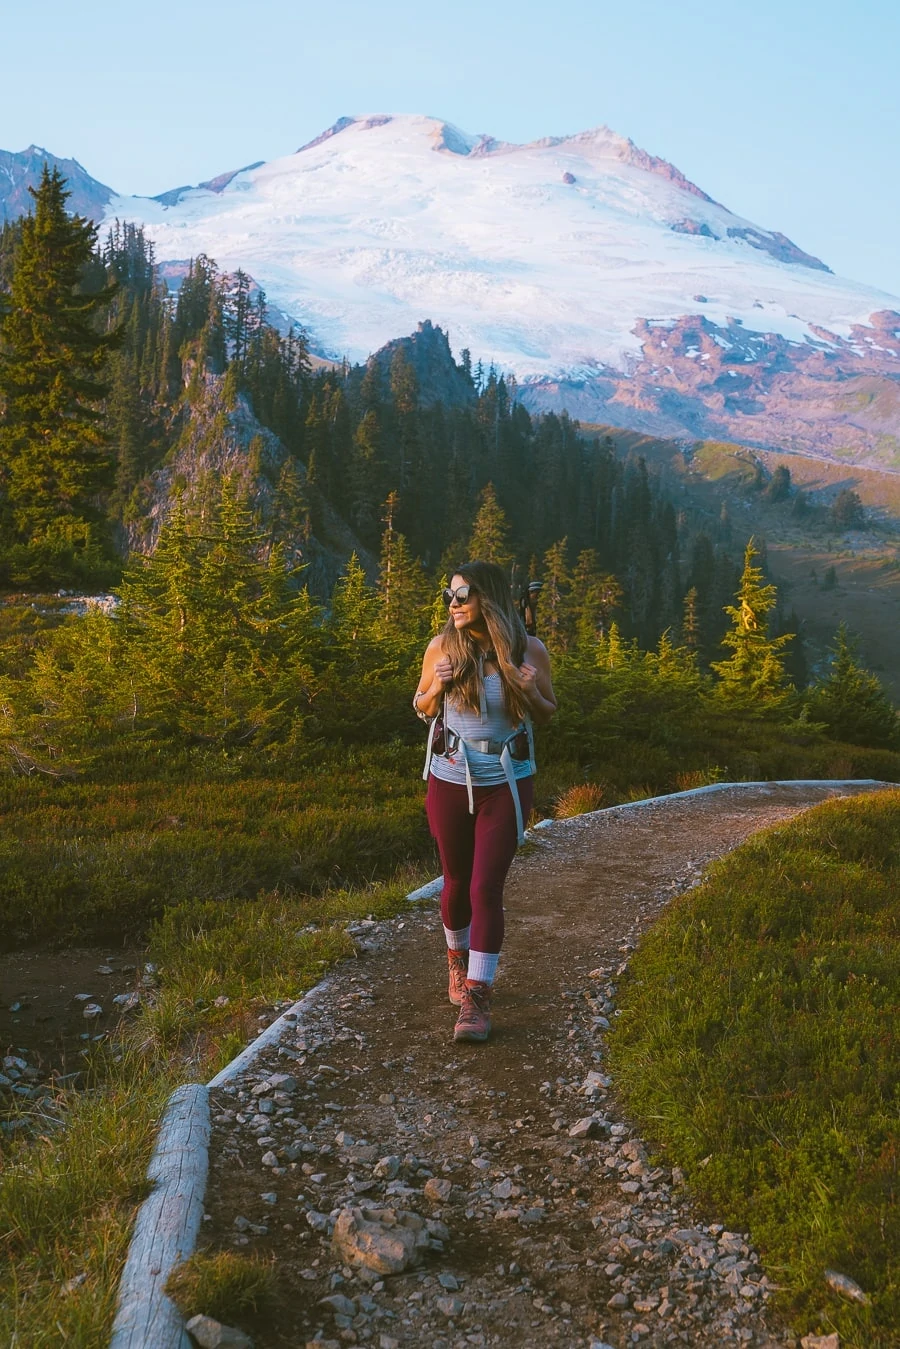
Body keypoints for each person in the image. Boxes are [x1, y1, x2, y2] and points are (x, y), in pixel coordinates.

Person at [413, 560, 557, 1042]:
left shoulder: (528, 649)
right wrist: (439, 685)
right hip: (449, 778)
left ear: (488, 599)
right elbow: (421, 706)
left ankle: (477, 999)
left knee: (485, 888)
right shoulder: (440, 648)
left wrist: (530, 689)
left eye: (462, 595)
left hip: (508, 781)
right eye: (449, 595)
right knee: (454, 882)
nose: (452, 604)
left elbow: (548, 713)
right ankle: (458, 964)